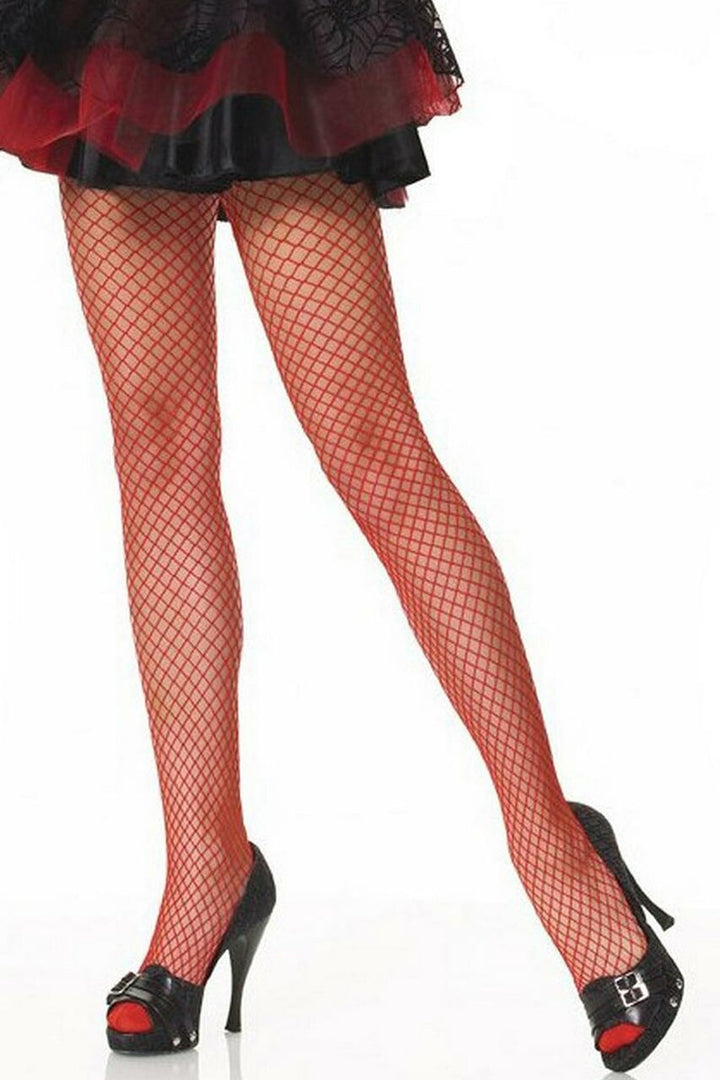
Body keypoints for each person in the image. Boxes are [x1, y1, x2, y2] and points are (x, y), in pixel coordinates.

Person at [0, 1, 683, 1070]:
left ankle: (558, 850)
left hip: (268, 16)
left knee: (371, 443)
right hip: (112, 20)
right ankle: (205, 873)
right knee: (156, 442)